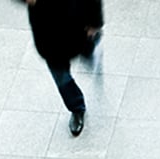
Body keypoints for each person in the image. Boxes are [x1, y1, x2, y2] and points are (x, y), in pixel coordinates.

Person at [20, 0, 103, 136]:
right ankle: (76, 107)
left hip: (76, 26)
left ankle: (91, 48)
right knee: (61, 77)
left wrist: (95, 23)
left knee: (85, 48)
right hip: (47, 35)